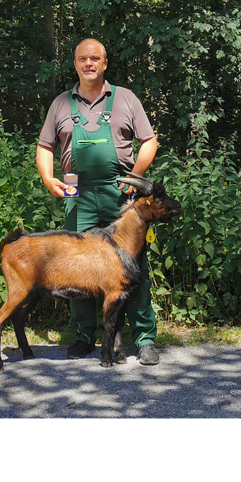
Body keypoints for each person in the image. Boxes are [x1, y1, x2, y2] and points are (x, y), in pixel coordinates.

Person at [36, 38, 162, 365]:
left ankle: (144, 338)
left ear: (105, 63)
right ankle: (83, 335)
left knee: (133, 266)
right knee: (77, 266)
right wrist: (49, 178)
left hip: (121, 195)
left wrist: (134, 176)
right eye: (83, 59)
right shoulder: (61, 103)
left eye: (95, 58)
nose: (89, 63)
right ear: (75, 64)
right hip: (77, 192)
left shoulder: (126, 99)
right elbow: (45, 146)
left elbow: (150, 142)